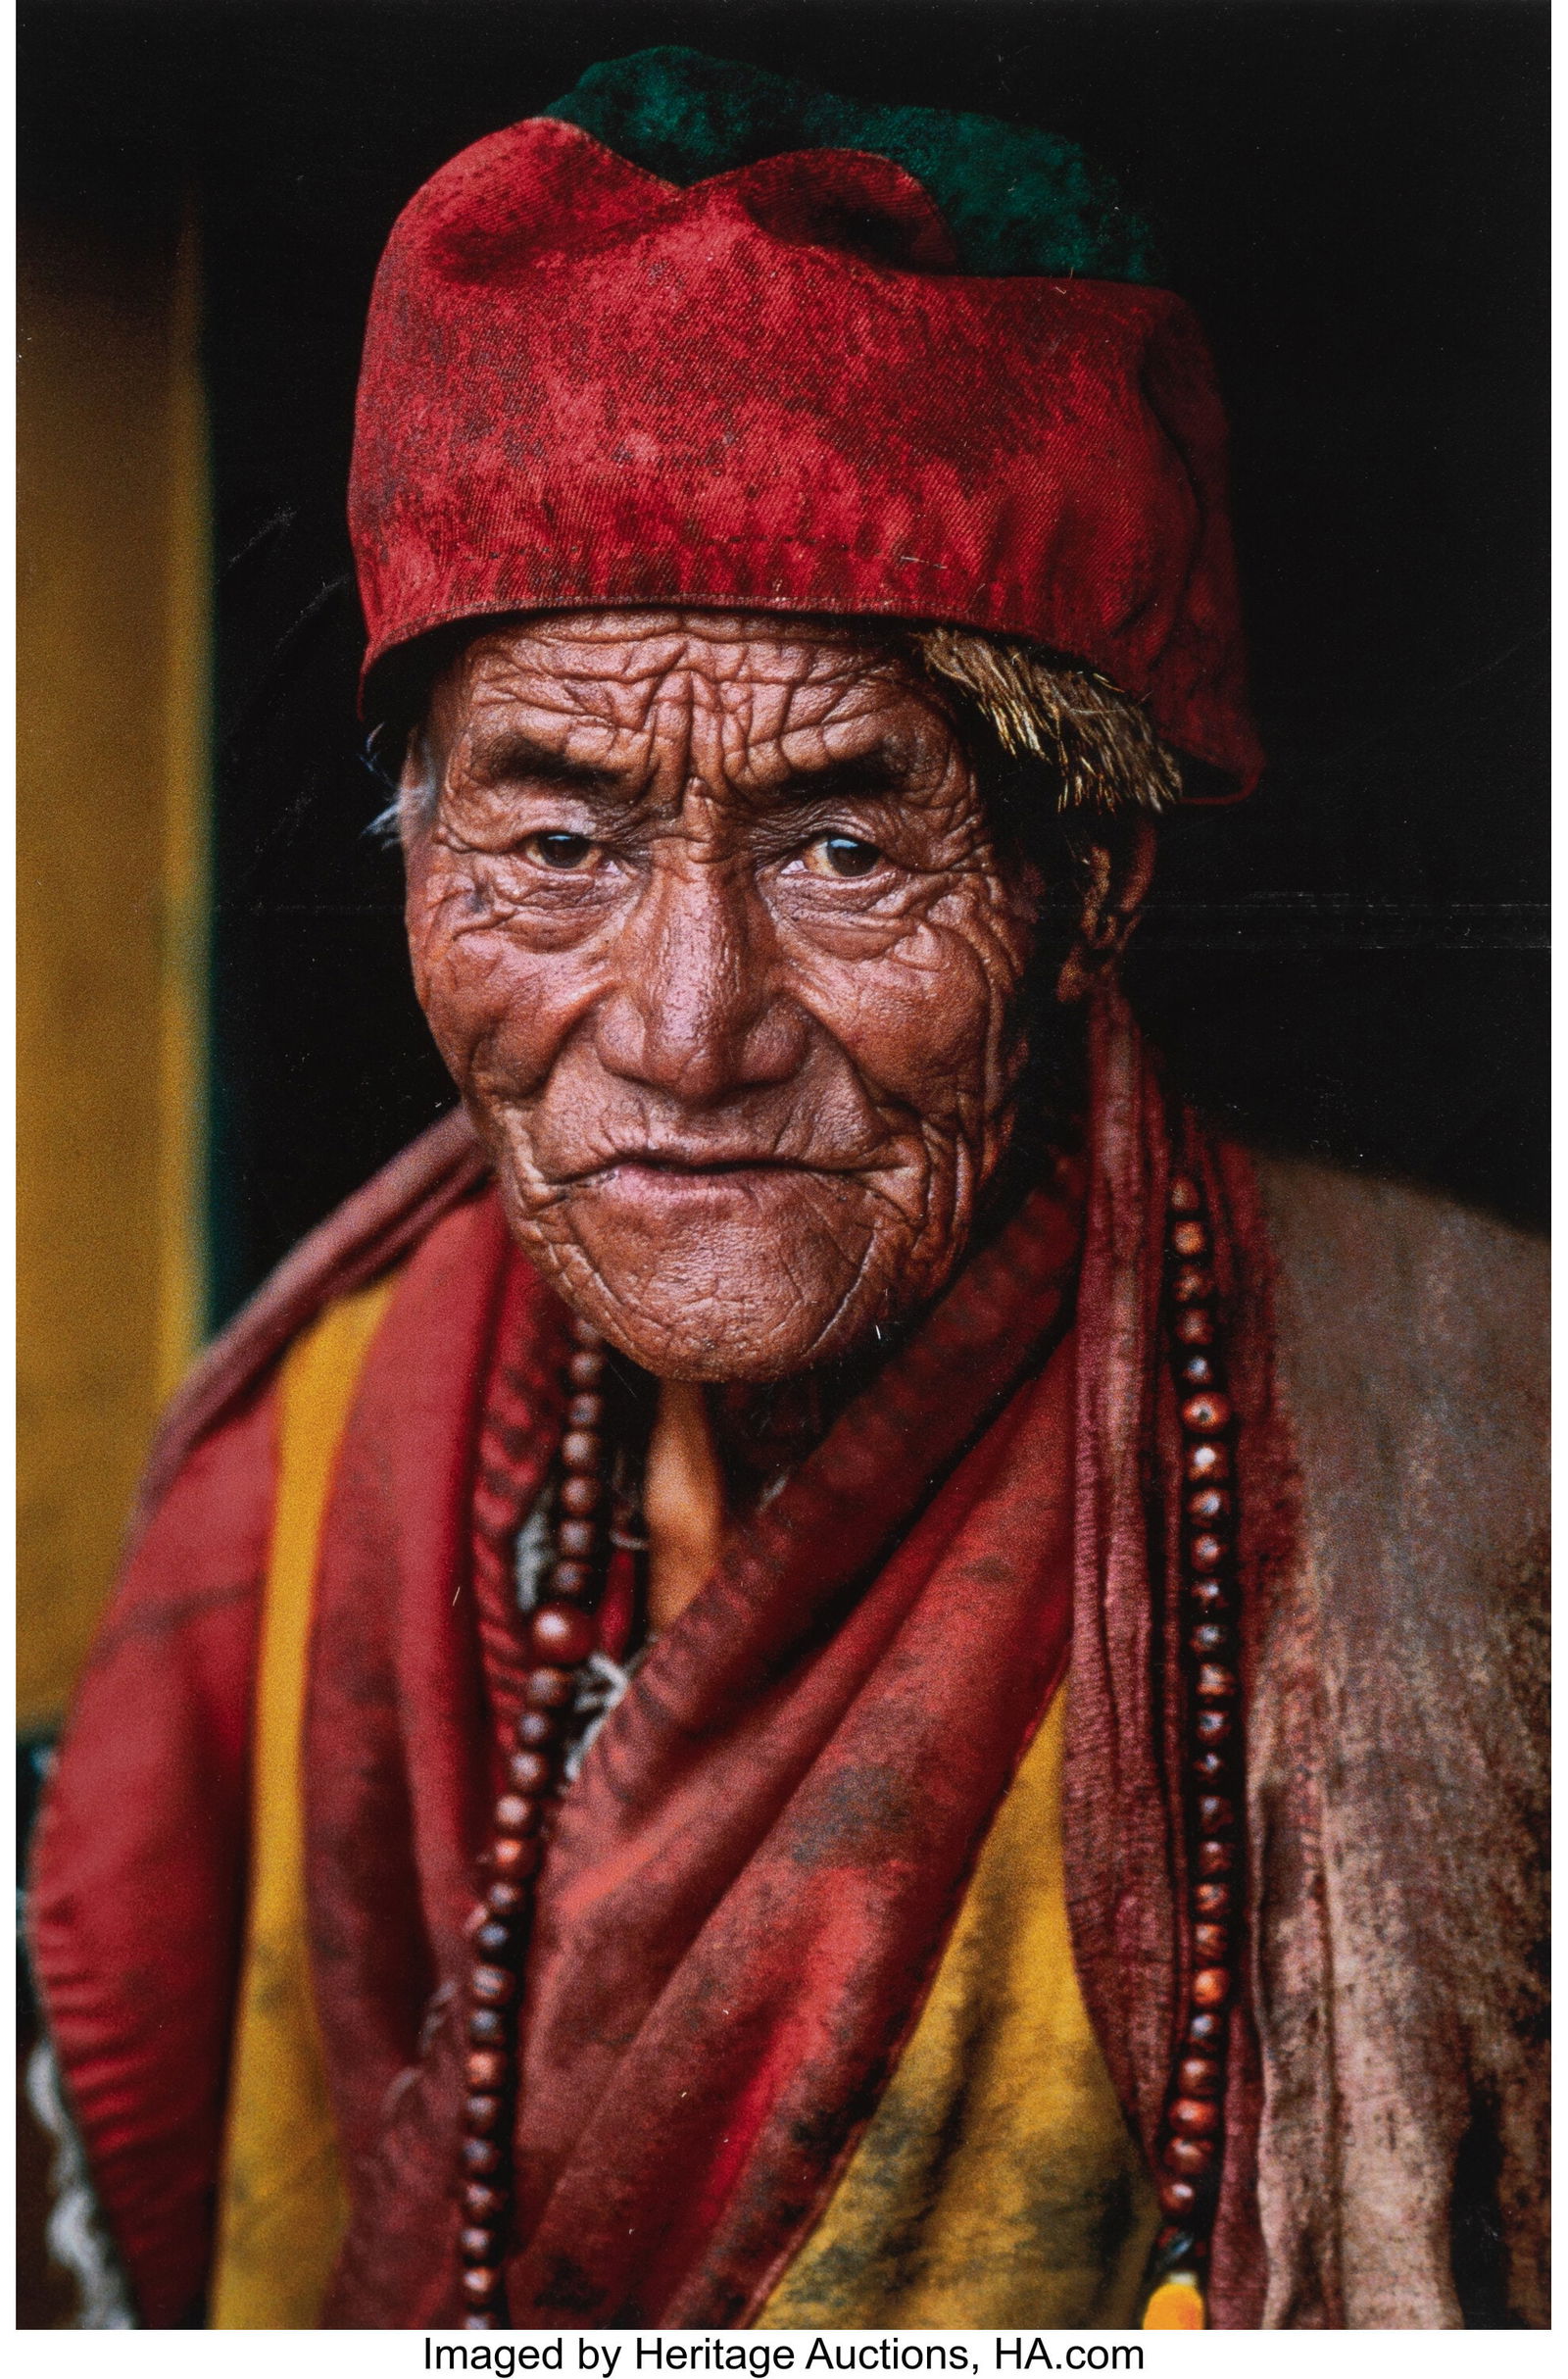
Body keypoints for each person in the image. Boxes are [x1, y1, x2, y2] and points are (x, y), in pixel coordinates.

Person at [27, 50, 1546, 2333]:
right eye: (552, 838)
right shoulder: (314, 1467)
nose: (680, 1021)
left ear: (1081, 887)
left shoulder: (1487, 1470)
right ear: (413, 868)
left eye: (844, 841)